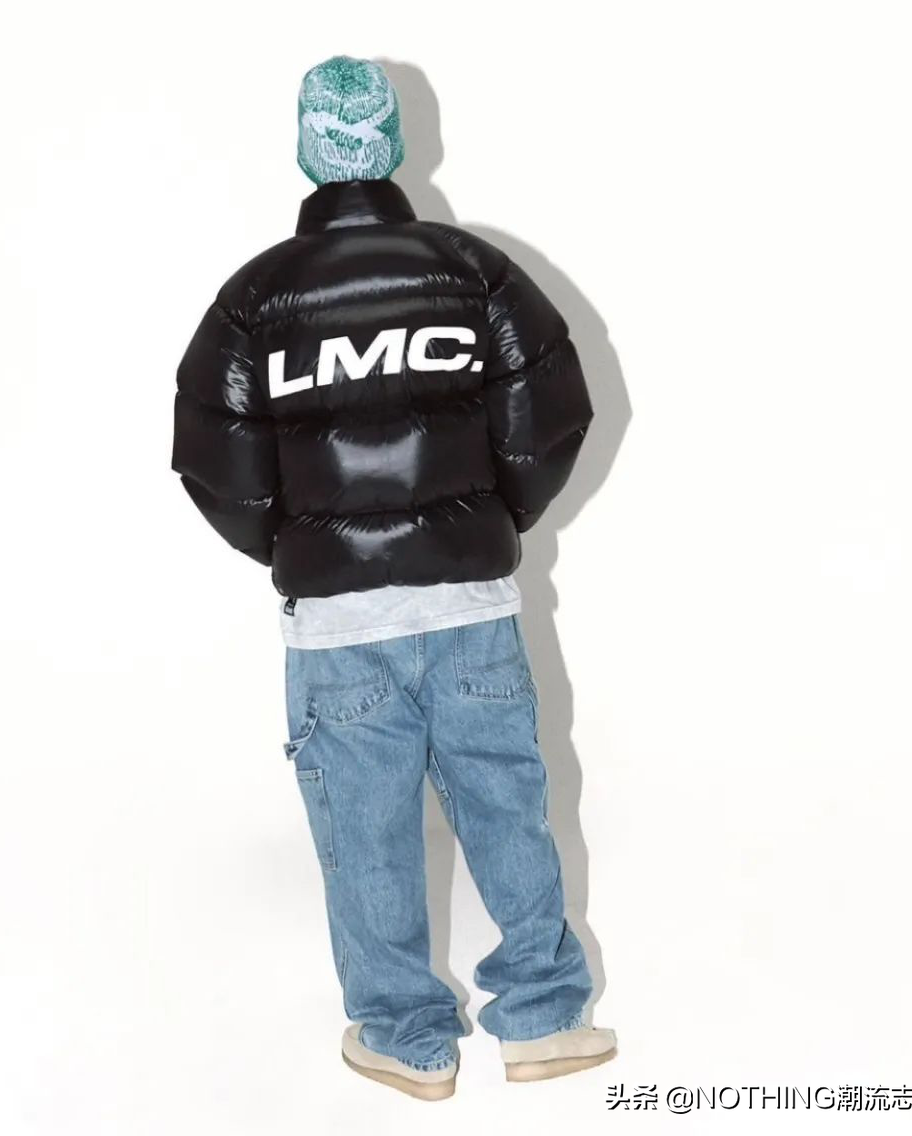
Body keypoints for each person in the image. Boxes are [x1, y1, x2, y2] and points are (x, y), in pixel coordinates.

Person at [171, 55, 616, 1100]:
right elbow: (551, 416)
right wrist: (483, 525)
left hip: (338, 630)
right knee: (506, 807)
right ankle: (545, 1019)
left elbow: (216, 463)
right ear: (395, 148)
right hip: (471, 606)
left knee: (366, 833)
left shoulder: (253, 300)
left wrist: (305, 546)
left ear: (307, 153)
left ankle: (406, 1038)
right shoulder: (475, 272)